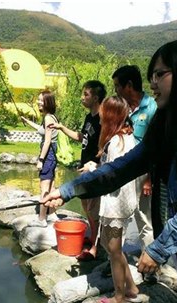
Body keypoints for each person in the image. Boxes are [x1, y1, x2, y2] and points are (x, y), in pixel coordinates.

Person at [43, 38, 177, 303]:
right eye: (152, 73)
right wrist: (67, 190)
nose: (151, 82)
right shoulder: (166, 123)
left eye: (161, 73)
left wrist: (157, 249)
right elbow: (120, 169)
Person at [80, 95, 142, 303]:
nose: (100, 117)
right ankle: (132, 289)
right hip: (121, 203)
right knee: (112, 247)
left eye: (104, 112)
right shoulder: (124, 138)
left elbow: (113, 177)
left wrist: (93, 170)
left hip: (116, 204)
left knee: (114, 251)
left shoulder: (117, 142)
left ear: (112, 115)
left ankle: (119, 298)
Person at [49, 80, 106, 261]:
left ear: (96, 97)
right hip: (84, 170)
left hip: (94, 171)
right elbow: (82, 138)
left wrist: (96, 164)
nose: (82, 98)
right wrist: (62, 128)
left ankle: (96, 247)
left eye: (86, 95)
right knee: (86, 207)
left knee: (94, 209)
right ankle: (93, 237)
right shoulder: (89, 117)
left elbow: (105, 146)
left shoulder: (103, 118)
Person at [112, 65, 157, 252]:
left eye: (117, 86)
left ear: (128, 85)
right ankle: (114, 259)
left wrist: (149, 178)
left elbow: (156, 148)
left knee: (144, 219)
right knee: (118, 217)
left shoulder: (152, 108)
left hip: (142, 174)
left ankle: (152, 262)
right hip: (123, 170)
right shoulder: (121, 109)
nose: (115, 90)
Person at [21, 90, 59, 227]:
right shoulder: (51, 117)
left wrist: (41, 159)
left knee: (44, 188)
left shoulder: (48, 118)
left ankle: (42, 219)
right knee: (52, 186)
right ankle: (53, 214)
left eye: (41, 100)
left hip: (48, 155)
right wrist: (27, 121)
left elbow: (47, 140)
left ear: (48, 102)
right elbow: (42, 130)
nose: (38, 102)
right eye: (38, 100)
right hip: (52, 156)